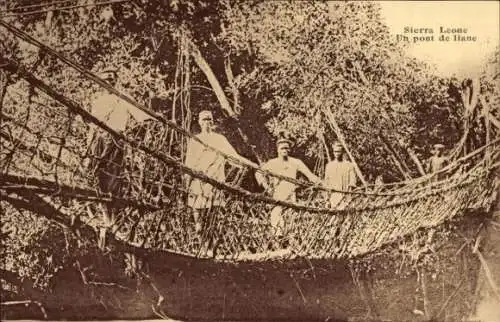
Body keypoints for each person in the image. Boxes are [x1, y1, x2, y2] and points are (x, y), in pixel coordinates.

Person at [87, 67, 153, 249]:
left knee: (114, 181)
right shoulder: (97, 101)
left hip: (116, 140)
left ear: (116, 81)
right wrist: (88, 149)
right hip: (99, 140)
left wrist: (152, 121)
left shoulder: (123, 98)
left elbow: (142, 117)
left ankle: (113, 221)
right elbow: (92, 126)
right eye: (105, 79)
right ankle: (107, 220)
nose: (108, 82)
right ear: (100, 82)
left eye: (111, 79)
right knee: (99, 180)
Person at [184, 110, 255, 233]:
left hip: (216, 177)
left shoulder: (219, 139)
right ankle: (198, 230)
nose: (208, 122)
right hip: (199, 177)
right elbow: (189, 161)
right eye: (205, 119)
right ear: (200, 122)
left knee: (214, 209)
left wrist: (249, 163)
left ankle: (211, 236)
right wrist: (187, 180)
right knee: (197, 207)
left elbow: (233, 156)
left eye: (210, 119)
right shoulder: (195, 140)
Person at [255, 137, 321, 235]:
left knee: (291, 217)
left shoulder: (295, 162)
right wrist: (267, 187)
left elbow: (309, 175)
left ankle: (290, 240)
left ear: (289, 149)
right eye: (282, 148)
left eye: (287, 148)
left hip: (291, 193)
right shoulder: (272, 163)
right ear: (278, 150)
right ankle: (278, 240)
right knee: (276, 216)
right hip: (277, 193)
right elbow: (258, 173)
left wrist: (320, 182)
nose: (285, 150)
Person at [324, 142, 357, 209]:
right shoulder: (329, 166)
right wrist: (327, 200)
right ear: (333, 152)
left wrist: (348, 199)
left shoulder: (349, 165)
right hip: (333, 198)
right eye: (335, 151)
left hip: (345, 198)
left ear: (342, 152)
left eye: (339, 151)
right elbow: (326, 183)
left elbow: (352, 183)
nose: (337, 154)